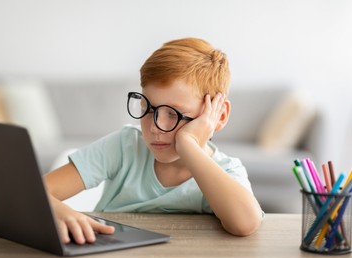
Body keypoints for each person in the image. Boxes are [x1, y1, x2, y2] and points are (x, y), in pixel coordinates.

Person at [44, 37, 263, 245]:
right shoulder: (125, 145)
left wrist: (188, 145)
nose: (155, 127)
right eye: (147, 109)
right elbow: (38, 191)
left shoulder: (226, 170)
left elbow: (245, 224)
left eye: (173, 114)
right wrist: (59, 210)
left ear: (219, 116)